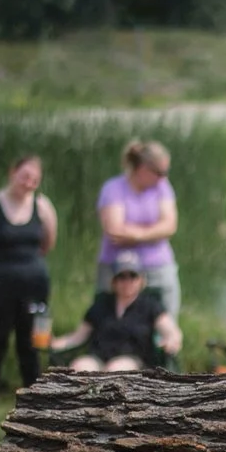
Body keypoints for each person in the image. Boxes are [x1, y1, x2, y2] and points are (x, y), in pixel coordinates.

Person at [0, 154, 58, 421]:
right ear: (12, 173)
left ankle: (36, 406)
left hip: (35, 287)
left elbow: (48, 243)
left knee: (34, 345)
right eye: (24, 176)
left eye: (34, 179)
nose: (28, 183)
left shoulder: (43, 206)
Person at [52, 253, 182, 372]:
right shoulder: (101, 305)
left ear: (141, 280)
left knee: (116, 370)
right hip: (98, 357)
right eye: (122, 276)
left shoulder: (150, 306)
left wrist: (172, 340)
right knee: (80, 367)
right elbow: (78, 336)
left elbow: (171, 330)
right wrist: (54, 343)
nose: (127, 281)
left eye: (132, 276)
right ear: (114, 281)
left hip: (134, 361)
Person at [95, 139, 179, 313]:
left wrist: (135, 235)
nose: (164, 178)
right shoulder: (113, 189)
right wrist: (153, 234)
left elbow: (169, 226)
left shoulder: (163, 188)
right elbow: (114, 231)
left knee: (165, 321)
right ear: (142, 169)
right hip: (117, 267)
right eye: (160, 172)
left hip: (158, 266)